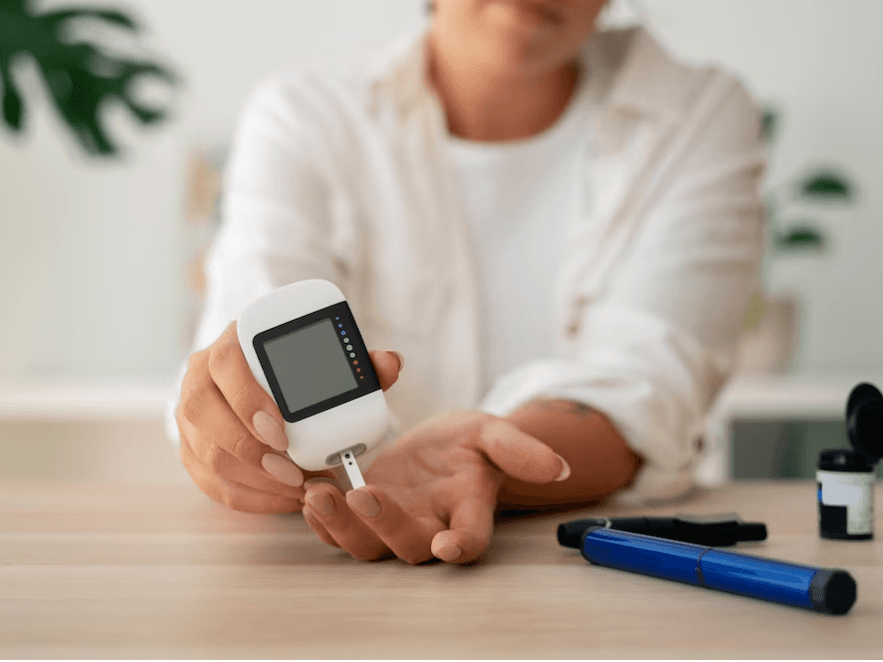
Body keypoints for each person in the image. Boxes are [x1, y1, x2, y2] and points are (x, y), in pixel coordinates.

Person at [166, 0, 766, 565]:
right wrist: (232, 422)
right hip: (329, 572)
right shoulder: (303, 114)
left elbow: (649, 385)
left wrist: (484, 462)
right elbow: (247, 338)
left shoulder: (696, 112)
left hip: (582, 566)